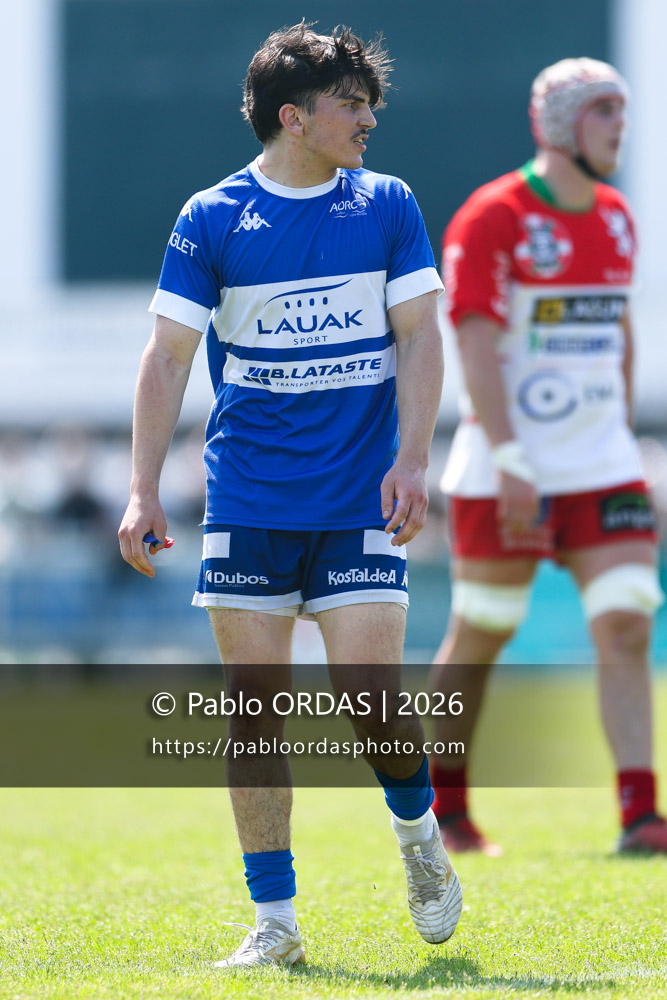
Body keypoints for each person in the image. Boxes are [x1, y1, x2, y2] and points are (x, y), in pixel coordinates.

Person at [118, 23, 462, 968]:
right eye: (351, 103)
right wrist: (142, 490)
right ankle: (275, 925)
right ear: (293, 117)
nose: (368, 118)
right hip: (247, 501)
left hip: (359, 496)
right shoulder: (213, 217)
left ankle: (419, 840)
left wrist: (413, 458)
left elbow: (420, 338)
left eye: (368, 101)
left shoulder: (386, 204)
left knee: (368, 701)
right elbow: (169, 357)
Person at [429, 57, 667, 856]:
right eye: (606, 113)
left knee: (629, 620)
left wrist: (620, 435)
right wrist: (508, 456)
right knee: (483, 633)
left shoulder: (616, 216)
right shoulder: (493, 214)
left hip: (601, 466)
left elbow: (617, 333)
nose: (619, 129)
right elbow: (473, 341)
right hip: (509, 467)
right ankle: (444, 812)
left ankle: (639, 815)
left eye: (621, 113)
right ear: (563, 125)